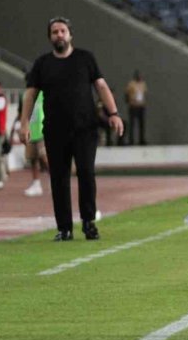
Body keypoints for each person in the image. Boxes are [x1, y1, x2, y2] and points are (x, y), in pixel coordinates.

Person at [20, 16, 124, 241]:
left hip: (85, 129)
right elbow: (30, 94)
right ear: (50, 37)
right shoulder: (42, 64)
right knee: (59, 178)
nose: (59, 35)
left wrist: (114, 113)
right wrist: (24, 122)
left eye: (62, 31)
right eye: (55, 32)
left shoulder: (85, 58)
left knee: (86, 173)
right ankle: (64, 228)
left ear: (70, 34)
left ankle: (88, 222)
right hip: (55, 130)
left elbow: (101, 85)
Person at [17, 73, 47, 197]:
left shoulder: (44, 93)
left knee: (45, 157)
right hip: (31, 131)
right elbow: (21, 113)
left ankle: (57, 180)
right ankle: (36, 184)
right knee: (33, 159)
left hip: (43, 130)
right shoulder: (25, 95)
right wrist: (22, 127)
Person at [124, 69, 147, 145]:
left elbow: (145, 93)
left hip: (141, 105)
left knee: (142, 124)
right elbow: (126, 94)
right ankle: (131, 140)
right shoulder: (131, 84)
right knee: (132, 124)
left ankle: (141, 139)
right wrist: (129, 101)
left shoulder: (143, 84)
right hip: (133, 106)